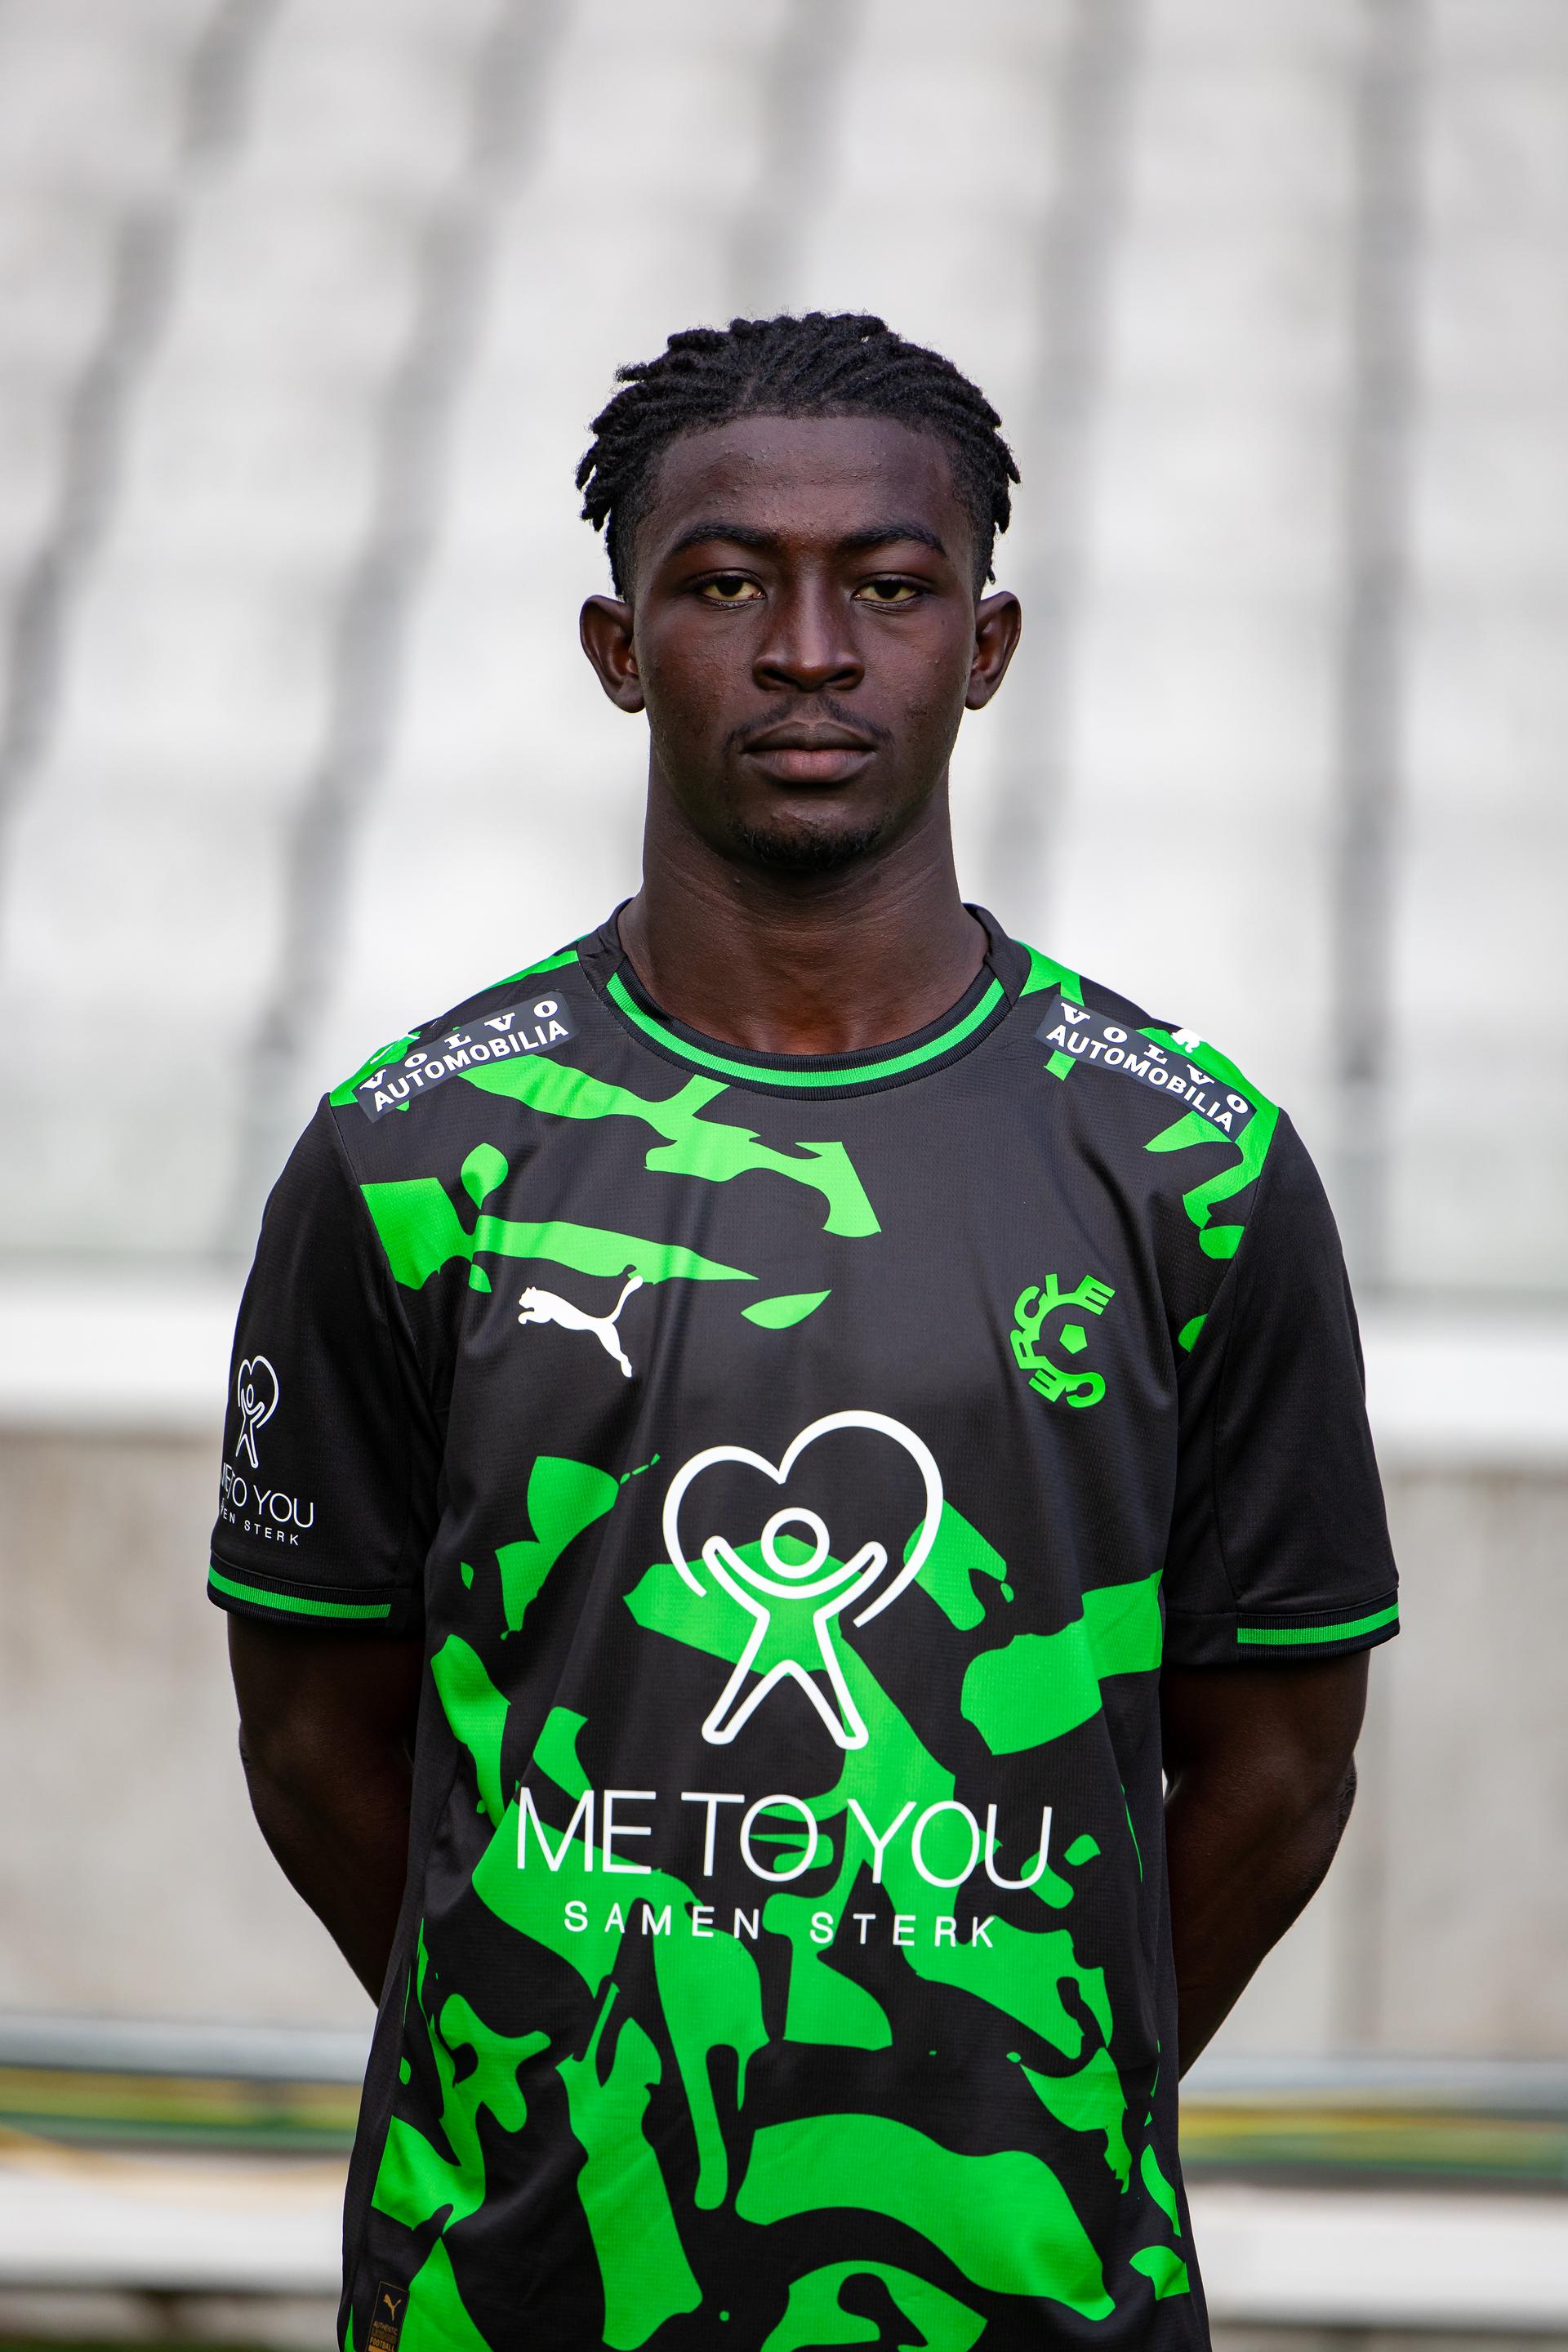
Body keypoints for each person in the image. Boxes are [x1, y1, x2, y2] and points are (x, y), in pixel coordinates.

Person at [215, 312, 1397, 2352]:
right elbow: (315, 1746)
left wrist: (1032, 2080)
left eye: (892, 586)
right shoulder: (413, 1156)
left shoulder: (1190, 1166)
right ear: (618, 648)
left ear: (987, 646)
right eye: (728, 584)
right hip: (515, 2298)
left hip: (1037, 2300)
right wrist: (549, 2060)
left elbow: (1282, 1771)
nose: (811, 652)